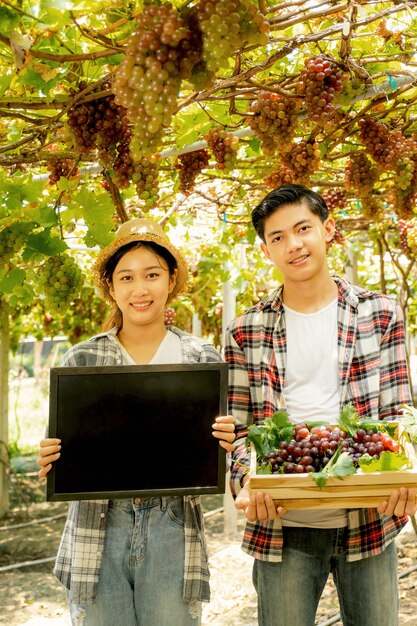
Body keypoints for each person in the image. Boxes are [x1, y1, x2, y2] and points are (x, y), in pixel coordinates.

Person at [225, 183, 417, 626]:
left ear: (328, 230)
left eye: (303, 228)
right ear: (266, 250)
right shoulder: (245, 330)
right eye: (277, 237)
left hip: (369, 518)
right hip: (282, 525)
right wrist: (246, 485)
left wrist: (405, 475)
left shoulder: (381, 314)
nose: (293, 244)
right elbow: (238, 431)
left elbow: (397, 419)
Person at [37, 217, 235, 626]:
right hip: (97, 527)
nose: (140, 289)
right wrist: (50, 457)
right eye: (126, 277)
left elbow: (221, 454)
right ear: (111, 287)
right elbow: (64, 446)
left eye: (152, 275)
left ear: (171, 279)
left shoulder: (202, 360)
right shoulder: (82, 360)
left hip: (172, 524)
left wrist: (228, 444)